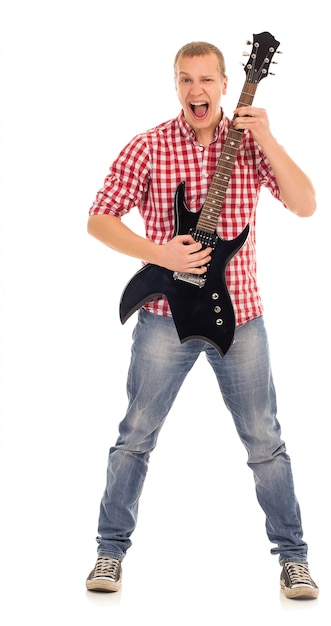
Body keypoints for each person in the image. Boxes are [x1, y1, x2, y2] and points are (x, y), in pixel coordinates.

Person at [85, 40, 319, 600]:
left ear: (224, 82)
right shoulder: (150, 145)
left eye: (207, 80)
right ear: (176, 85)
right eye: (186, 80)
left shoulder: (250, 144)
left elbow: (306, 204)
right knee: (135, 437)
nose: (197, 90)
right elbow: (99, 219)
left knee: (265, 441)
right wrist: (161, 253)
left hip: (240, 316)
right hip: (164, 316)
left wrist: (268, 138)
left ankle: (294, 559)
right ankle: (109, 553)